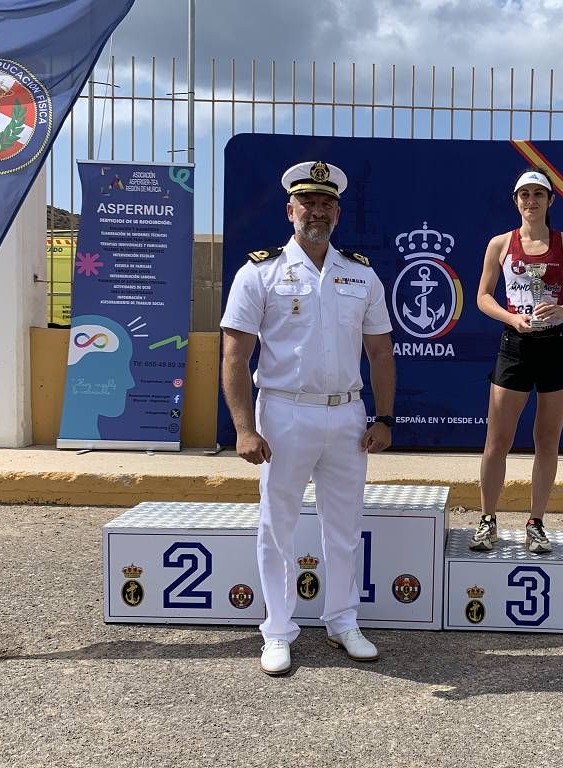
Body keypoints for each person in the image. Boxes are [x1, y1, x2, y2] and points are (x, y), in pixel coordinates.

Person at [220, 160, 396, 676]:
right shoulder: (260, 272)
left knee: (344, 528)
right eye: (308, 203)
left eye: (326, 204)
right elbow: (235, 355)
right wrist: (243, 428)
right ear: (289, 209)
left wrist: (383, 417)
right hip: (283, 415)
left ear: (338, 212)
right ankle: (277, 631)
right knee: (278, 528)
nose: (317, 211)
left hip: (346, 417)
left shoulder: (360, 273)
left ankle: (343, 621)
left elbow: (381, 354)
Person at [470, 168, 563, 554]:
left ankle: (536, 522)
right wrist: (512, 318)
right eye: (524, 195)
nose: (531, 201)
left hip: (556, 347)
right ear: (515, 201)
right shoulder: (500, 244)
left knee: (547, 440)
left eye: (538, 195)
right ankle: (487, 520)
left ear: (551, 201)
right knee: (498, 441)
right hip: (515, 347)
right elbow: (483, 296)